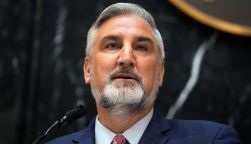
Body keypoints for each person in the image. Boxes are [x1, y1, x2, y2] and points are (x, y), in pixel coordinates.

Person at [48, 3, 240, 144]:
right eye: (112, 45)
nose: (126, 58)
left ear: (160, 73)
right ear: (88, 70)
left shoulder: (211, 140)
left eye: (141, 47)